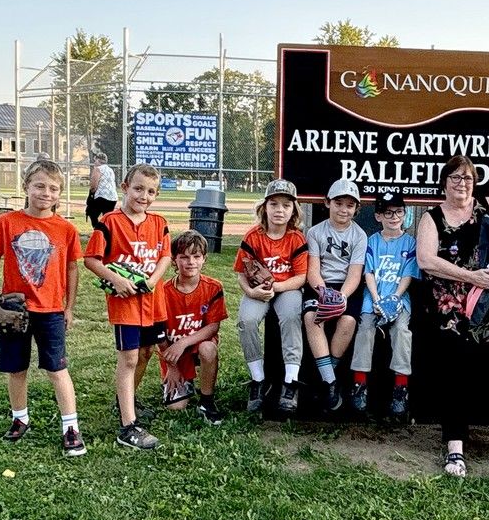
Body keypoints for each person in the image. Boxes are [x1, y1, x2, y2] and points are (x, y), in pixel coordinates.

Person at [416, 155, 489, 477]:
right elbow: (426, 260)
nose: (461, 184)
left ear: (474, 182)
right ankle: (455, 448)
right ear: (444, 182)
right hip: (454, 309)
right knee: (455, 377)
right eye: (455, 178)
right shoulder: (431, 218)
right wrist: (470, 277)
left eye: (467, 178)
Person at [0, 160, 86, 456]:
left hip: (50, 309)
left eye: (53, 188)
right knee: (16, 368)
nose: (45, 193)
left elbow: (73, 269)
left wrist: (69, 307)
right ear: (26, 187)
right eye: (39, 186)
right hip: (14, 308)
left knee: (57, 368)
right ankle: (20, 418)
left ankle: (70, 426)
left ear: (60, 193)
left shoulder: (65, 229)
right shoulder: (7, 223)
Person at [84, 163, 172, 449]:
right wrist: (117, 279)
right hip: (126, 305)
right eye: (138, 189)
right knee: (129, 358)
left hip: (152, 301)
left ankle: (126, 401)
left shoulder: (159, 223)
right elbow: (92, 259)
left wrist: (154, 280)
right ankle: (128, 426)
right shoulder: (109, 222)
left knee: (146, 352)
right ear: (124, 187)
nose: (143, 196)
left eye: (150, 191)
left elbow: (165, 257)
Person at [234, 179, 308, 413]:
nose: (279, 210)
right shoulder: (254, 236)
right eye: (274, 204)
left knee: (290, 317)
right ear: (264, 207)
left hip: (285, 288)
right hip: (259, 290)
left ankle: (290, 381)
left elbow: (301, 277)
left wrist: (276, 287)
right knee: (246, 321)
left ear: (293, 210)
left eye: (286, 205)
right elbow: (241, 273)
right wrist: (251, 291)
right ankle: (258, 379)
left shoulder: (296, 238)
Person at [349, 189, 421, 418]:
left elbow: (407, 275)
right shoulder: (372, 241)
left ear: (405, 214)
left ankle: (401, 388)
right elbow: (368, 272)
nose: (394, 217)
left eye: (399, 211)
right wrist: (378, 299)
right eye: (388, 212)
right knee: (365, 329)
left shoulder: (410, 242)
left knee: (401, 331)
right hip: (374, 297)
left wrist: (394, 298)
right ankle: (359, 385)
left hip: (399, 298)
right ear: (378, 216)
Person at [303, 179, 368, 412]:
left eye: (350, 205)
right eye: (338, 203)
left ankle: (326, 373)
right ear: (327, 202)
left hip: (346, 287)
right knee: (312, 318)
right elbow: (312, 270)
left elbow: (354, 273)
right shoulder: (315, 232)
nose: (343, 209)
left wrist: (340, 297)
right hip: (321, 284)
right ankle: (330, 381)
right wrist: (323, 292)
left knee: (348, 320)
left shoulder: (359, 236)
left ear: (356, 209)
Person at [158, 230, 229, 424]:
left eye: (196, 256)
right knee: (176, 408)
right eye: (184, 257)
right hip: (172, 350)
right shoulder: (162, 291)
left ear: (204, 259)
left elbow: (213, 326)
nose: (191, 262)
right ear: (174, 260)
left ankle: (207, 401)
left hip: (197, 343)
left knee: (208, 348)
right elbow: (158, 332)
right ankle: (182, 380)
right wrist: (171, 366)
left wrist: (184, 342)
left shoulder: (213, 287)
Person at [86, 152, 119, 229]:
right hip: (112, 197)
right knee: (107, 217)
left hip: (102, 196)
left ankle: (99, 231)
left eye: (95, 160)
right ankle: (108, 233)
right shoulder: (110, 170)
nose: (94, 162)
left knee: (92, 213)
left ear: (98, 160)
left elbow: (94, 186)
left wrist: (91, 194)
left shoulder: (98, 169)